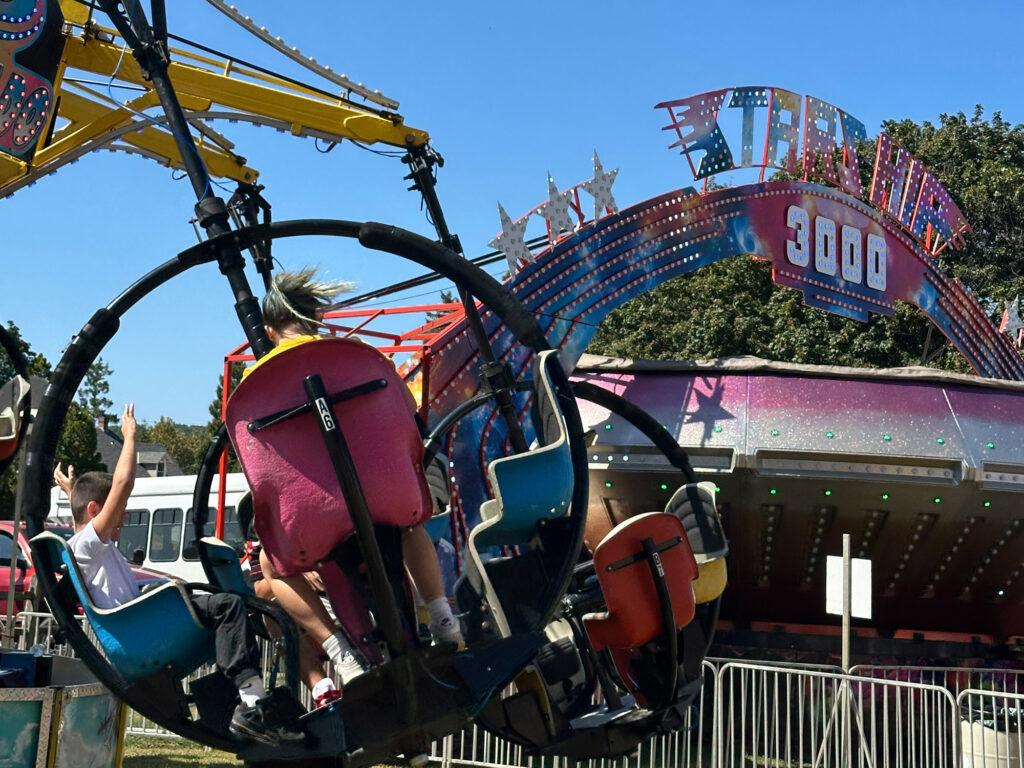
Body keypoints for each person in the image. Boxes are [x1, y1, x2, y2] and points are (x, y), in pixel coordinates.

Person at [246, 268, 464, 681]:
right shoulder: (355, 354)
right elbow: (401, 418)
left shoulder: (256, 379)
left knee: (271, 565)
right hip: (382, 496)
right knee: (411, 524)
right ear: (317, 319)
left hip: (312, 515)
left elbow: (258, 464)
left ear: (270, 330)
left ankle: (337, 649)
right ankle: (441, 616)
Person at [56, 404, 303, 747]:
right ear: (98, 511)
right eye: (120, 511)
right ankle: (252, 701)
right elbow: (123, 483)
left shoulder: (87, 545)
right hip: (142, 633)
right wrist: (130, 437)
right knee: (229, 606)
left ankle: (230, 707)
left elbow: (85, 512)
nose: (123, 518)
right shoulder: (89, 545)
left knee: (227, 619)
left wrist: (73, 492)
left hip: (142, 627)